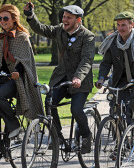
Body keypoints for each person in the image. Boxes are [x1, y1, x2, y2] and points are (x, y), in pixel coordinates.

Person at [24, 3, 95, 154]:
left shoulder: (88, 36)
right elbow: (41, 29)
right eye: (64, 16)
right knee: (49, 103)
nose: (65, 20)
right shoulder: (59, 30)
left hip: (79, 81)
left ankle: (87, 136)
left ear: (78, 20)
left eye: (69, 17)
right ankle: (58, 137)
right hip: (61, 77)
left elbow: (87, 60)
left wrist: (78, 77)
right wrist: (31, 16)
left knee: (76, 110)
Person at [0, 4, 43, 166]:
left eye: (6, 18)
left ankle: (13, 124)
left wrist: (17, 71)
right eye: (0, 18)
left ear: (14, 19)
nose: (2, 21)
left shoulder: (22, 37)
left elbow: (25, 60)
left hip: (16, 81)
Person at [96, 11, 134, 122]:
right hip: (120, 79)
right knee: (117, 107)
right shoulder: (112, 41)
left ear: (131, 25)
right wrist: (101, 78)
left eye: (123, 25)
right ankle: (120, 133)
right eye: (118, 25)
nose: (120, 28)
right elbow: (106, 63)